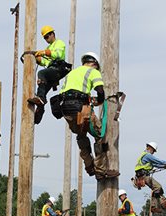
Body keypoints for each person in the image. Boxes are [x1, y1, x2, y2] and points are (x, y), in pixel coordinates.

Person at [51, 51, 119, 181]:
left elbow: (71, 91)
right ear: (95, 63)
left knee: (81, 135)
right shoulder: (93, 72)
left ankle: (89, 166)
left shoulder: (72, 73)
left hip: (66, 110)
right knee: (100, 135)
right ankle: (101, 171)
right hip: (81, 108)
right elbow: (100, 91)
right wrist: (100, 100)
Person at [27, 25, 71, 125]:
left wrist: (44, 52)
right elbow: (46, 62)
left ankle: (41, 99)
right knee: (41, 93)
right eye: (45, 38)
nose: (46, 39)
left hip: (58, 69)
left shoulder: (59, 43)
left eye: (47, 36)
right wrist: (38, 59)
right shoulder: (48, 47)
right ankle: (38, 114)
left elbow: (58, 55)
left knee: (41, 73)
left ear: (52, 34)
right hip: (51, 70)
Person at [134, 142, 166, 213]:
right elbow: (158, 161)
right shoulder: (147, 155)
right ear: (149, 148)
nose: (153, 152)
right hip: (143, 176)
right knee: (158, 187)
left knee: (157, 189)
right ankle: (156, 206)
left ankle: (159, 204)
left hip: (142, 176)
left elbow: (157, 165)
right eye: (153, 150)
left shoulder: (146, 156)